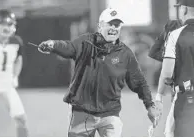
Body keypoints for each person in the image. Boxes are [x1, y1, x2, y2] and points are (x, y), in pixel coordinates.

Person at [38, 8, 162, 137]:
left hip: (110, 115)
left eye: (117, 25)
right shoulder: (86, 42)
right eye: (110, 24)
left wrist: (150, 106)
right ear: (100, 26)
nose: (114, 28)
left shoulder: (125, 54)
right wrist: (53, 45)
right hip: (82, 113)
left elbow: (139, 82)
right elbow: (69, 47)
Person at [154, 0, 194, 136]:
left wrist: (159, 96)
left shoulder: (176, 35)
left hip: (187, 98)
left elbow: (167, 72)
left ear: (184, 10)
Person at [0, 9, 28, 136]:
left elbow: (18, 60)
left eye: (9, 24)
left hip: (7, 84)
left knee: (21, 119)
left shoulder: (16, 42)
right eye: (2, 24)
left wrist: (15, 76)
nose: (6, 27)